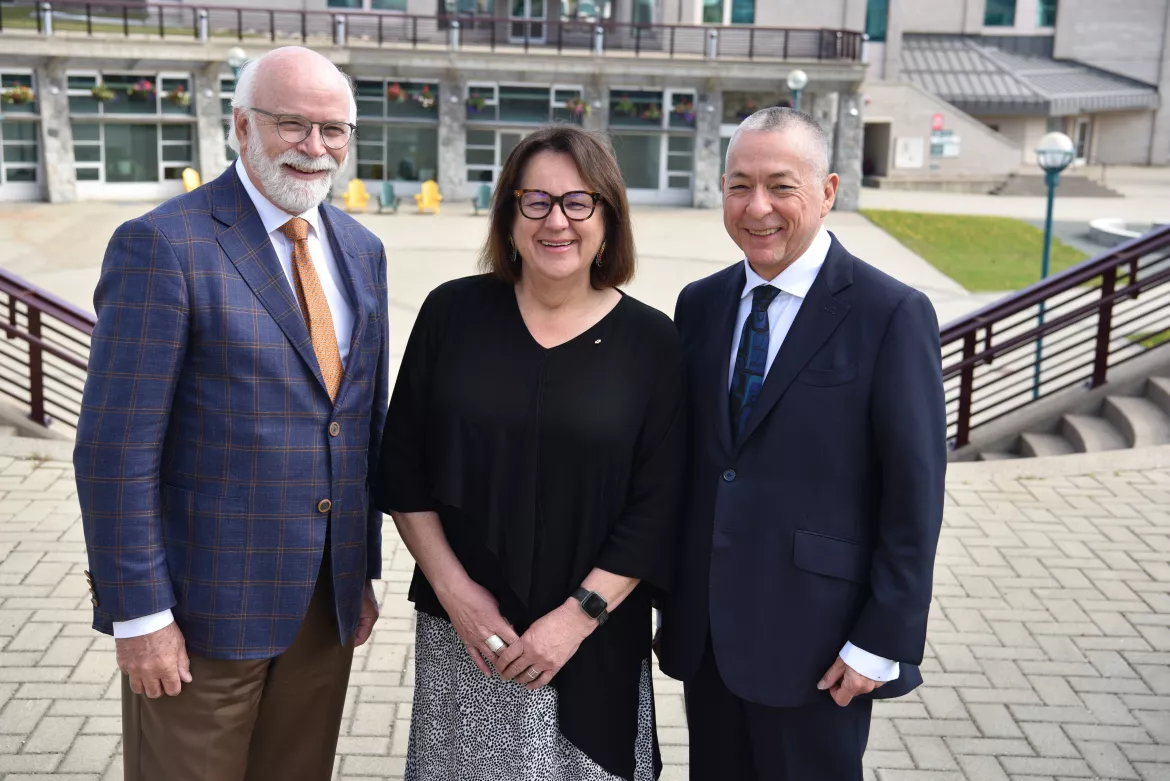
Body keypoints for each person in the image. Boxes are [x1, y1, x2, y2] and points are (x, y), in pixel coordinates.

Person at [73, 46, 389, 781]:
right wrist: (140, 614)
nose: (315, 147)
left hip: (323, 607)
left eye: (333, 129)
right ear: (242, 126)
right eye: (293, 124)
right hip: (199, 615)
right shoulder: (163, 245)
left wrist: (361, 571)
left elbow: (357, 425)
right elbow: (114, 450)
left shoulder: (361, 250)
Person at [378, 124, 686, 781]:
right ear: (509, 214)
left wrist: (575, 620)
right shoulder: (450, 314)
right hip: (470, 635)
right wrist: (454, 590)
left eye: (579, 202)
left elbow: (659, 504)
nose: (557, 221)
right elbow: (402, 468)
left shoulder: (653, 343)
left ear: (608, 218)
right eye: (536, 201)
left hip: (594, 639)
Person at [657, 107, 946, 780]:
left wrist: (882, 640)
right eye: (739, 185)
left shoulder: (890, 314)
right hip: (711, 638)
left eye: (781, 185)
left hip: (821, 646)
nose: (757, 207)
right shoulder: (699, 305)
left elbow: (915, 495)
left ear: (828, 191)